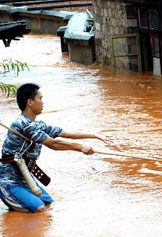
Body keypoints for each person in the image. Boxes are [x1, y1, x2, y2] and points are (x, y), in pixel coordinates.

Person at [0, 83, 107, 213]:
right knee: (40, 209)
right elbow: (53, 144)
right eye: (40, 98)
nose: (43, 102)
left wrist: (94, 135)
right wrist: (81, 147)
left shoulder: (37, 124)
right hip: (9, 182)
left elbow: (64, 133)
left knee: (48, 204)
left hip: (25, 178)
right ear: (30, 102)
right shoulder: (23, 124)